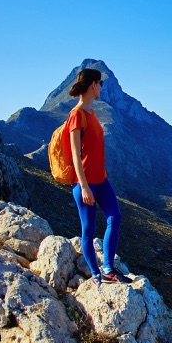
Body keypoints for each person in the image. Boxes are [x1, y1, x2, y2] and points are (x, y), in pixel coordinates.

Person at [66, 68, 131, 286]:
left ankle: (108, 268)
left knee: (115, 218)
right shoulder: (77, 115)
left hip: (101, 180)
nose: (102, 87)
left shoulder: (92, 114)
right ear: (93, 85)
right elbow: (76, 154)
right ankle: (96, 274)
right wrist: (84, 187)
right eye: (100, 83)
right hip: (85, 184)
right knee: (89, 230)